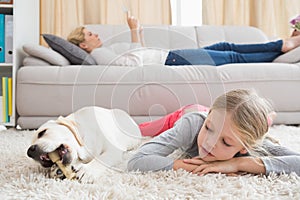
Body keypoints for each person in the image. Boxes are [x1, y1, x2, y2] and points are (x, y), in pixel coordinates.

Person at [127, 89, 300, 176]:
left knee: (258, 130)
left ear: (243, 148)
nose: (209, 142)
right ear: (209, 117)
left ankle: (267, 118)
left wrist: (239, 164)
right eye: (209, 129)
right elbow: (136, 161)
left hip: (221, 119)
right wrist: (184, 166)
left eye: (225, 142)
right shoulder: (193, 125)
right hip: (186, 113)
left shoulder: (250, 143)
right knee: (139, 130)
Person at [67, 13, 300, 66]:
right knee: (231, 56)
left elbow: (137, 54)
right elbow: (130, 64)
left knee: (224, 46)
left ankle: (279, 47)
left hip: (168, 56)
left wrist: (137, 32)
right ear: (83, 45)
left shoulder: (106, 49)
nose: (96, 34)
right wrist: (134, 30)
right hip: (170, 60)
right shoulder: (98, 55)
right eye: (89, 34)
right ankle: (282, 46)